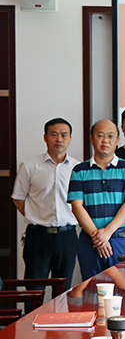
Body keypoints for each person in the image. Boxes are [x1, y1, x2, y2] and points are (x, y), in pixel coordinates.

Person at [68, 119, 125, 280]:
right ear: (91, 139)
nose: (105, 140)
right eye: (100, 135)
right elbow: (77, 206)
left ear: (117, 140)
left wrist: (107, 233)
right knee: (91, 288)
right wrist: (98, 237)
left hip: (120, 240)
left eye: (110, 136)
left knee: (124, 289)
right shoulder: (79, 171)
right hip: (90, 241)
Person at [12, 118, 79, 289]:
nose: (59, 139)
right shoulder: (29, 166)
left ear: (70, 139)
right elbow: (18, 198)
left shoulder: (78, 169)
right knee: (34, 288)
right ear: (45, 137)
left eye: (64, 135)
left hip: (67, 237)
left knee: (63, 290)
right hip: (38, 236)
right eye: (54, 134)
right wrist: (35, 215)